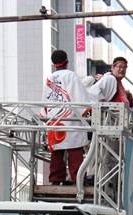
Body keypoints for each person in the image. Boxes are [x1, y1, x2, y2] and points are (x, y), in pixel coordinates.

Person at [42, 49, 90, 185]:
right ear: (67, 62)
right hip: (70, 119)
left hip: (54, 120)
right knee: (75, 152)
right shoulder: (70, 75)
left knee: (57, 153)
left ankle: (56, 180)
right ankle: (78, 180)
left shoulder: (49, 79)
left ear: (53, 64)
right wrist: (85, 111)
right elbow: (80, 99)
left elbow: (44, 102)